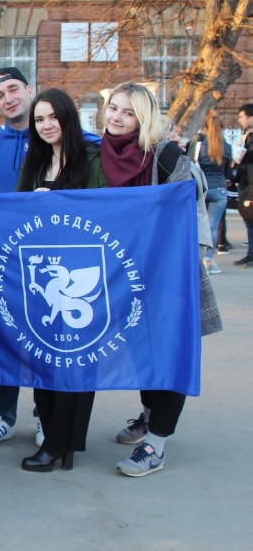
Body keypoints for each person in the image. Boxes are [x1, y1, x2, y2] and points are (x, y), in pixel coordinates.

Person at [100, 81, 220, 476]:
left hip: (169, 274)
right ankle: (149, 416)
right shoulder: (100, 152)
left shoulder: (164, 154)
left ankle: (156, 444)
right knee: (142, 351)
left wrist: (194, 259)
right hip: (125, 275)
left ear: (144, 117)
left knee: (169, 353)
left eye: (128, 112)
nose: (116, 117)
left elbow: (186, 210)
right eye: (113, 108)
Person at [15, 88, 107, 472]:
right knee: (45, 361)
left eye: (53, 117)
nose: (46, 125)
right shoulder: (34, 163)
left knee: (77, 361)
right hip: (41, 273)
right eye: (39, 119)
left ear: (68, 118)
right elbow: (17, 216)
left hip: (83, 275)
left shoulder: (92, 158)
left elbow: (108, 210)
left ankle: (59, 444)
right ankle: (54, 434)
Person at [188, 111, 232, 275]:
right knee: (212, 227)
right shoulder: (225, 146)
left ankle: (199, 259)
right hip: (220, 189)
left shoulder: (199, 144)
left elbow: (191, 165)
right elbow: (228, 172)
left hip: (201, 189)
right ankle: (208, 259)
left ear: (205, 126)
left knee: (200, 226)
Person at [234, 103, 253, 267]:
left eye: (242, 117)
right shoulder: (246, 137)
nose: (239, 120)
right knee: (248, 220)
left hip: (250, 185)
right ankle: (250, 253)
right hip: (245, 183)